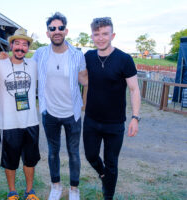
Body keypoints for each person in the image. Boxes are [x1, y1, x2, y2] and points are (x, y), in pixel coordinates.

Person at [83, 17, 141, 200]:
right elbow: (82, 79)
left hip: (114, 124)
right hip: (91, 120)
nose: (100, 38)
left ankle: (108, 195)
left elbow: (134, 89)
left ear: (112, 35)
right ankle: (102, 175)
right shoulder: (88, 57)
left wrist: (135, 117)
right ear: (92, 36)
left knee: (112, 163)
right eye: (97, 34)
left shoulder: (124, 59)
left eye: (105, 34)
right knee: (91, 155)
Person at [32, 12, 88, 200]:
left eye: (60, 28)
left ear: (66, 30)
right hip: (50, 113)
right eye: (52, 28)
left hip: (72, 114)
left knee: (73, 153)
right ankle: (55, 186)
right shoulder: (40, 54)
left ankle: (74, 189)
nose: (57, 31)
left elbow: (85, 79)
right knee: (53, 151)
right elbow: (24, 67)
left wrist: (85, 103)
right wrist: (2, 59)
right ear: (47, 33)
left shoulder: (77, 55)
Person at [0, 28, 40, 200]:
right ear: (11, 45)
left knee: (30, 160)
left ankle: (30, 191)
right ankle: (12, 192)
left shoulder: (34, 65)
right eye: (17, 43)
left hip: (31, 121)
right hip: (8, 123)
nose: (21, 48)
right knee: (10, 160)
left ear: (28, 48)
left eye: (24, 45)